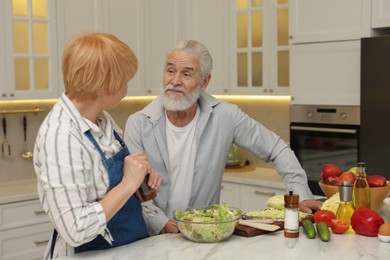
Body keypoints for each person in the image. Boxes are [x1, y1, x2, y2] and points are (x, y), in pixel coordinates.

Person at [124, 39, 322, 235]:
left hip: (206, 236)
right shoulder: (138, 123)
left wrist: (301, 196)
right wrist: (160, 222)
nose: (175, 81)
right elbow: (131, 187)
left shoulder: (226, 116)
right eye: (170, 71)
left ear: (204, 82)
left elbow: (277, 148)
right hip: (150, 237)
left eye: (186, 74)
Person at [33, 33, 161, 259]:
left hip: (128, 249)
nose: (127, 87)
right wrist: (127, 185)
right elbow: (76, 229)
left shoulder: (101, 119)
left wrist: (140, 179)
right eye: (124, 80)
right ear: (105, 86)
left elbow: (111, 184)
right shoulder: (60, 137)